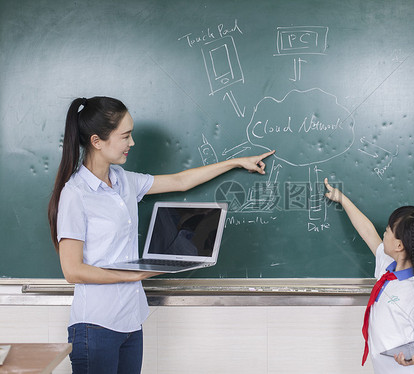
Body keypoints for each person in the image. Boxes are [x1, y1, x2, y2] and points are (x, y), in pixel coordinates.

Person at [47, 96, 274, 373]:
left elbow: (180, 181)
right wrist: (136, 273)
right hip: (95, 326)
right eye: (125, 136)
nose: (132, 143)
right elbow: (73, 271)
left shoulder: (124, 180)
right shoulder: (75, 194)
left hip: (132, 320)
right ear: (97, 141)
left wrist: (237, 162)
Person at [324, 178, 414, 374]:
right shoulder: (389, 267)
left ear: (399, 245)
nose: (383, 234)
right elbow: (367, 231)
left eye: (387, 231)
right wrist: (342, 199)